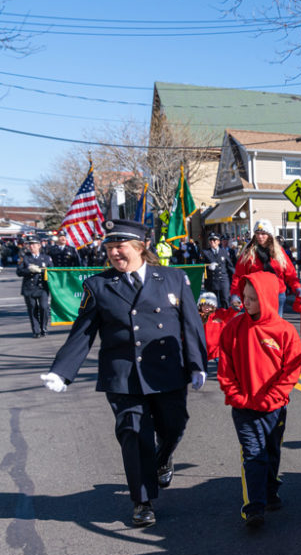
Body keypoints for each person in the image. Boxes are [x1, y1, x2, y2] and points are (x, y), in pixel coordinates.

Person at [41, 220, 207, 527]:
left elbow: (191, 325)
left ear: (140, 247)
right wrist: (62, 371)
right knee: (133, 434)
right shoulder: (99, 285)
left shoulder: (173, 278)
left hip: (167, 369)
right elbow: (83, 332)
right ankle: (142, 501)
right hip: (124, 373)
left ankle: (162, 458)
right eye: (109, 248)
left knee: (174, 425)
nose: (115, 253)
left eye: (121, 247)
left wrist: (197, 364)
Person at [218, 273, 301, 527]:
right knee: (253, 454)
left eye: (253, 298)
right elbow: (225, 366)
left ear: (266, 298)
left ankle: (270, 490)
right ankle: (253, 507)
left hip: (274, 408)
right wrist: (235, 394)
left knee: (271, 452)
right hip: (243, 408)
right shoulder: (233, 327)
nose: (247, 302)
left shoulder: (284, 331)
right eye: (244, 297)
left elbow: (292, 370)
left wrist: (274, 397)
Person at [231, 219, 301, 316]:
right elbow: (239, 275)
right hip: (256, 295)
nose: (260, 236)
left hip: (277, 294)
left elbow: (290, 273)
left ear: (269, 235)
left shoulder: (279, 252)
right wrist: (235, 294)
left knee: (276, 325)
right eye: (257, 233)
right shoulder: (248, 253)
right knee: (258, 326)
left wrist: (297, 288)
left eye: (263, 233)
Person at [17, 235, 54, 338]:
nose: (31, 246)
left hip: (42, 287)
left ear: (39, 245)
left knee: (44, 307)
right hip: (29, 287)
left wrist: (41, 270)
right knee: (33, 308)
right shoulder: (24, 257)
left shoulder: (46, 258)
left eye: (33, 244)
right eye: (30, 244)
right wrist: (29, 270)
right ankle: (36, 330)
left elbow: (52, 271)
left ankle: (43, 327)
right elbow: (19, 272)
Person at [197, 291, 238, 368]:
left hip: (217, 350)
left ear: (214, 306)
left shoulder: (219, 314)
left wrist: (236, 304)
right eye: (204, 305)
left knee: (223, 369)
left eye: (210, 306)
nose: (207, 308)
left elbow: (231, 312)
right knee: (200, 370)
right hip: (202, 349)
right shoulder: (197, 316)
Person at [201, 233, 234, 308]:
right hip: (211, 281)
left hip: (223, 280)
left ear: (218, 242)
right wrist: (208, 266)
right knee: (212, 303)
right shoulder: (205, 252)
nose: (212, 242)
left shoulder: (224, 252)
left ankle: (226, 318)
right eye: (210, 240)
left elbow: (230, 266)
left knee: (225, 301)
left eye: (214, 240)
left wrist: (235, 278)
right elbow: (200, 265)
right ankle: (213, 318)